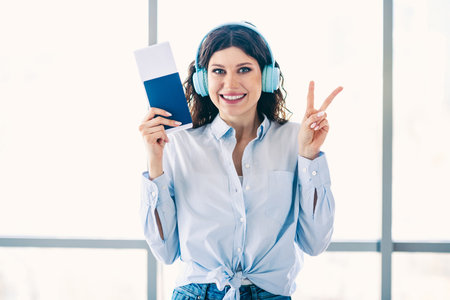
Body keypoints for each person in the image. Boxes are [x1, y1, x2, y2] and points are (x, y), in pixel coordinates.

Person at [138, 22, 343, 300]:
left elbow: (315, 242)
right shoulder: (179, 144)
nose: (230, 84)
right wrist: (155, 163)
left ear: (268, 77)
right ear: (203, 81)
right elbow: (165, 251)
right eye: (218, 71)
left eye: (244, 69)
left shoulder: (296, 139)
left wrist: (309, 156)